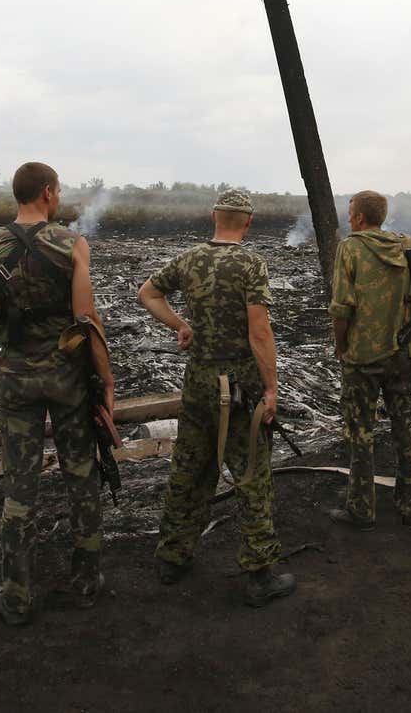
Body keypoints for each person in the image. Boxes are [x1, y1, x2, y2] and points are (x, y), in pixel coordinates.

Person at [0, 161, 116, 625]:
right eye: (59, 190)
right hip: (68, 378)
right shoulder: (72, 245)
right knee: (81, 475)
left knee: (20, 485)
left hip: (16, 375)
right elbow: (85, 322)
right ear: (47, 193)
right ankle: (86, 582)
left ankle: (16, 594)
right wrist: (106, 382)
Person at [137, 189, 297, 607]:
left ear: (214, 216)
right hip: (240, 387)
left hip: (198, 383)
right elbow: (259, 331)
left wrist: (181, 325)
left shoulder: (189, 259)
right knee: (251, 474)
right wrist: (271, 387)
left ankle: (173, 556)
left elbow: (147, 293)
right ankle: (260, 572)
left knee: (190, 466)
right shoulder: (250, 263)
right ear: (247, 222)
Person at [328, 190, 411, 529]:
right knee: (404, 428)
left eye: (350, 211)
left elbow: (341, 309)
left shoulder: (349, 248)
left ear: (360, 218)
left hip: (361, 359)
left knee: (360, 433)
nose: (349, 216)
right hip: (401, 357)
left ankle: (361, 509)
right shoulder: (405, 247)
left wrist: (341, 344)